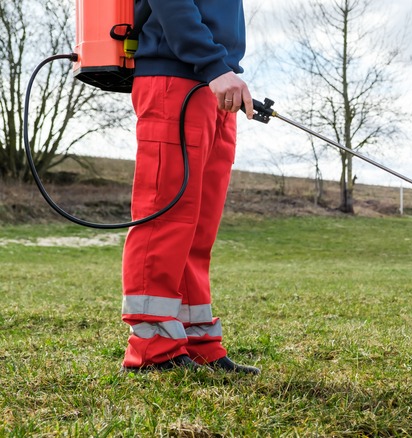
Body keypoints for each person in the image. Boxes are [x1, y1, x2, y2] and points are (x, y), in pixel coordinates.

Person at [119, 0, 259, 373]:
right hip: (177, 79)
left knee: (198, 227)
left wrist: (221, 70)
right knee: (166, 216)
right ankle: (152, 347)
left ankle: (198, 342)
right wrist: (214, 65)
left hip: (216, 84)